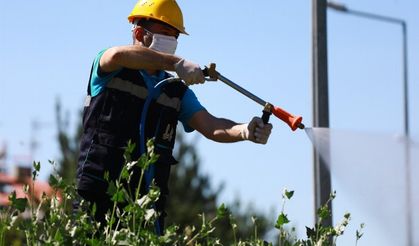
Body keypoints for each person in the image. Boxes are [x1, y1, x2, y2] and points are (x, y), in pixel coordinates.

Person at [76, 0, 273, 235]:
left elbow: (211, 126)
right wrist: (176, 63)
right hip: (98, 197)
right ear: (139, 32)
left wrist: (244, 131)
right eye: (165, 33)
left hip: (145, 209)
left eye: (174, 35)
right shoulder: (109, 68)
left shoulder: (174, 90)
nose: (172, 41)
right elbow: (117, 55)